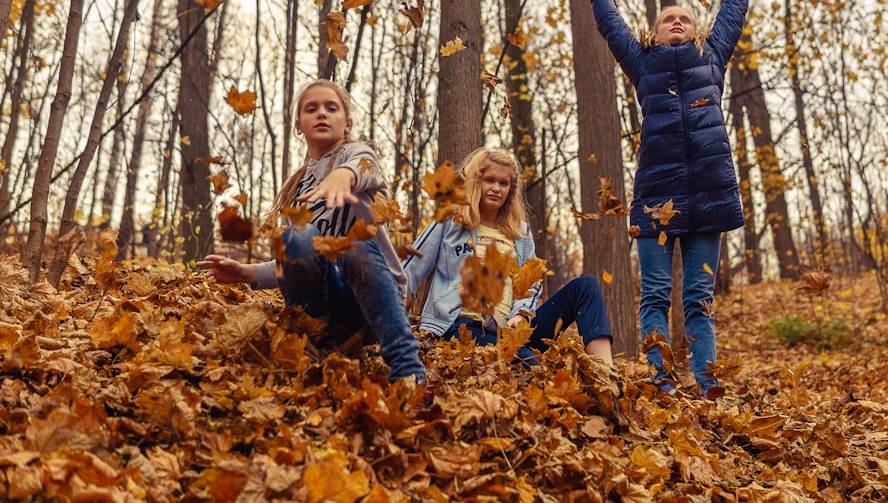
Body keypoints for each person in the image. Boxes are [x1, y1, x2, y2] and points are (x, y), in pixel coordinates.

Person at [572, 0, 757, 397]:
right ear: (653, 33)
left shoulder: (711, 58)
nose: (677, 21)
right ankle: (661, 383)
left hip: (710, 197)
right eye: (667, 19)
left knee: (698, 300)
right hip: (657, 198)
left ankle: (708, 384)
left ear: (697, 30)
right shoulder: (642, 63)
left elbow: (734, 13)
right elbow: (610, 25)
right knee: (654, 294)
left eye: (685, 18)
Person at [197, 79, 427, 387]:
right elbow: (298, 259)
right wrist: (245, 273)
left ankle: (407, 368)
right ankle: (322, 344)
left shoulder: (355, 156)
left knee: (351, 248)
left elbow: (366, 165)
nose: (322, 114)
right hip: (326, 305)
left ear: (346, 123)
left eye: (331, 108)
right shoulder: (299, 186)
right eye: (312, 109)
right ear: (299, 126)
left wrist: (344, 176)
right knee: (294, 237)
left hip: (373, 304)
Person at [403, 147, 615, 369]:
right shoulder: (450, 222)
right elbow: (410, 268)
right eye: (489, 180)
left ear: (511, 190)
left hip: (511, 329)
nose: (496, 188)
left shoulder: (520, 234)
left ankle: (606, 375)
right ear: (476, 181)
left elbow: (530, 286)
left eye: (503, 184)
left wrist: (521, 315)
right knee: (529, 366)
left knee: (585, 286)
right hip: (461, 327)